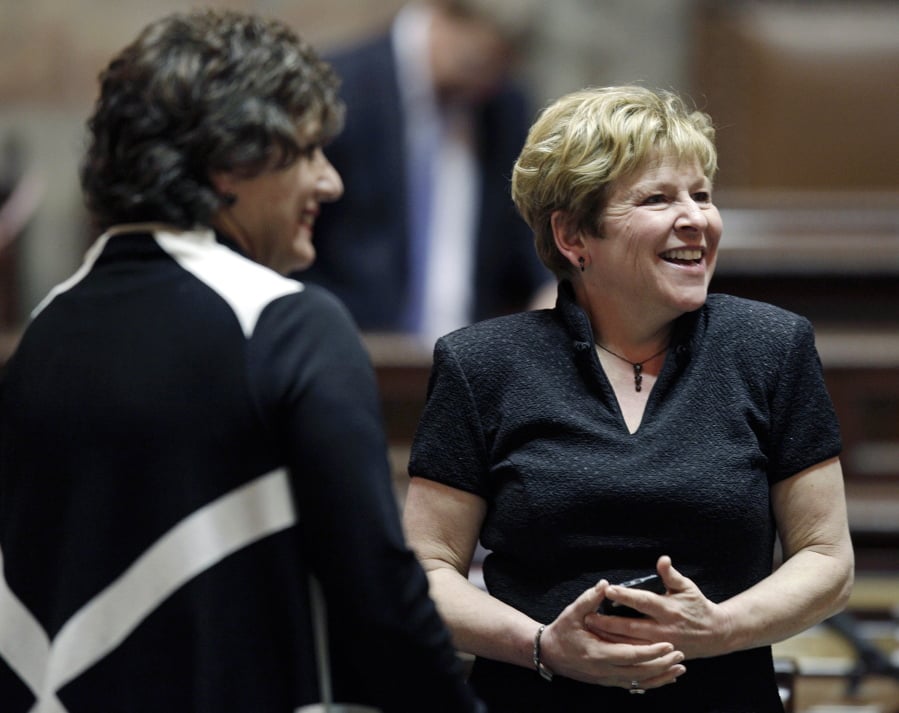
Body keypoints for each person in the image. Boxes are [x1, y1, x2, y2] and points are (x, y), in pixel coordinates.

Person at [0, 10, 484, 713]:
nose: (330, 183)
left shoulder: (43, 333)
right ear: (233, 160)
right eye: (309, 151)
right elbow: (380, 598)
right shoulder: (288, 324)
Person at [402, 85, 855, 711]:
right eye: (658, 199)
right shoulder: (482, 364)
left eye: (702, 195)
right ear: (572, 236)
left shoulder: (770, 348)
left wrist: (718, 629)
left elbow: (828, 560)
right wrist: (544, 645)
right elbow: (424, 571)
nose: (695, 218)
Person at [299, 0, 552, 343]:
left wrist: (552, 287)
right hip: (354, 352)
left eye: (502, 64)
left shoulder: (503, 105)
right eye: (481, 58)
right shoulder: (339, 87)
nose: (489, 81)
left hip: (468, 365)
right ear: (443, 13)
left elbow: (523, 228)